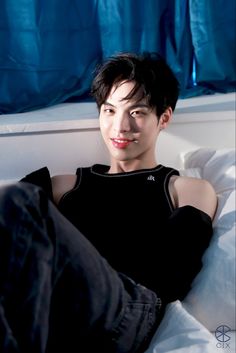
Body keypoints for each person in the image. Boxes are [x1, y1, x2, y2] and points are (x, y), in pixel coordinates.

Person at [0, 52, 217, 353]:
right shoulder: (63, 186)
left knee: (18, 200)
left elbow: (171, 273)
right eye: (109, 111)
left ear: (163, 118)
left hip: (131, 309)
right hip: (61, 305)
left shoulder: (186, 188)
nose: (120, 127)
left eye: (137, 112)